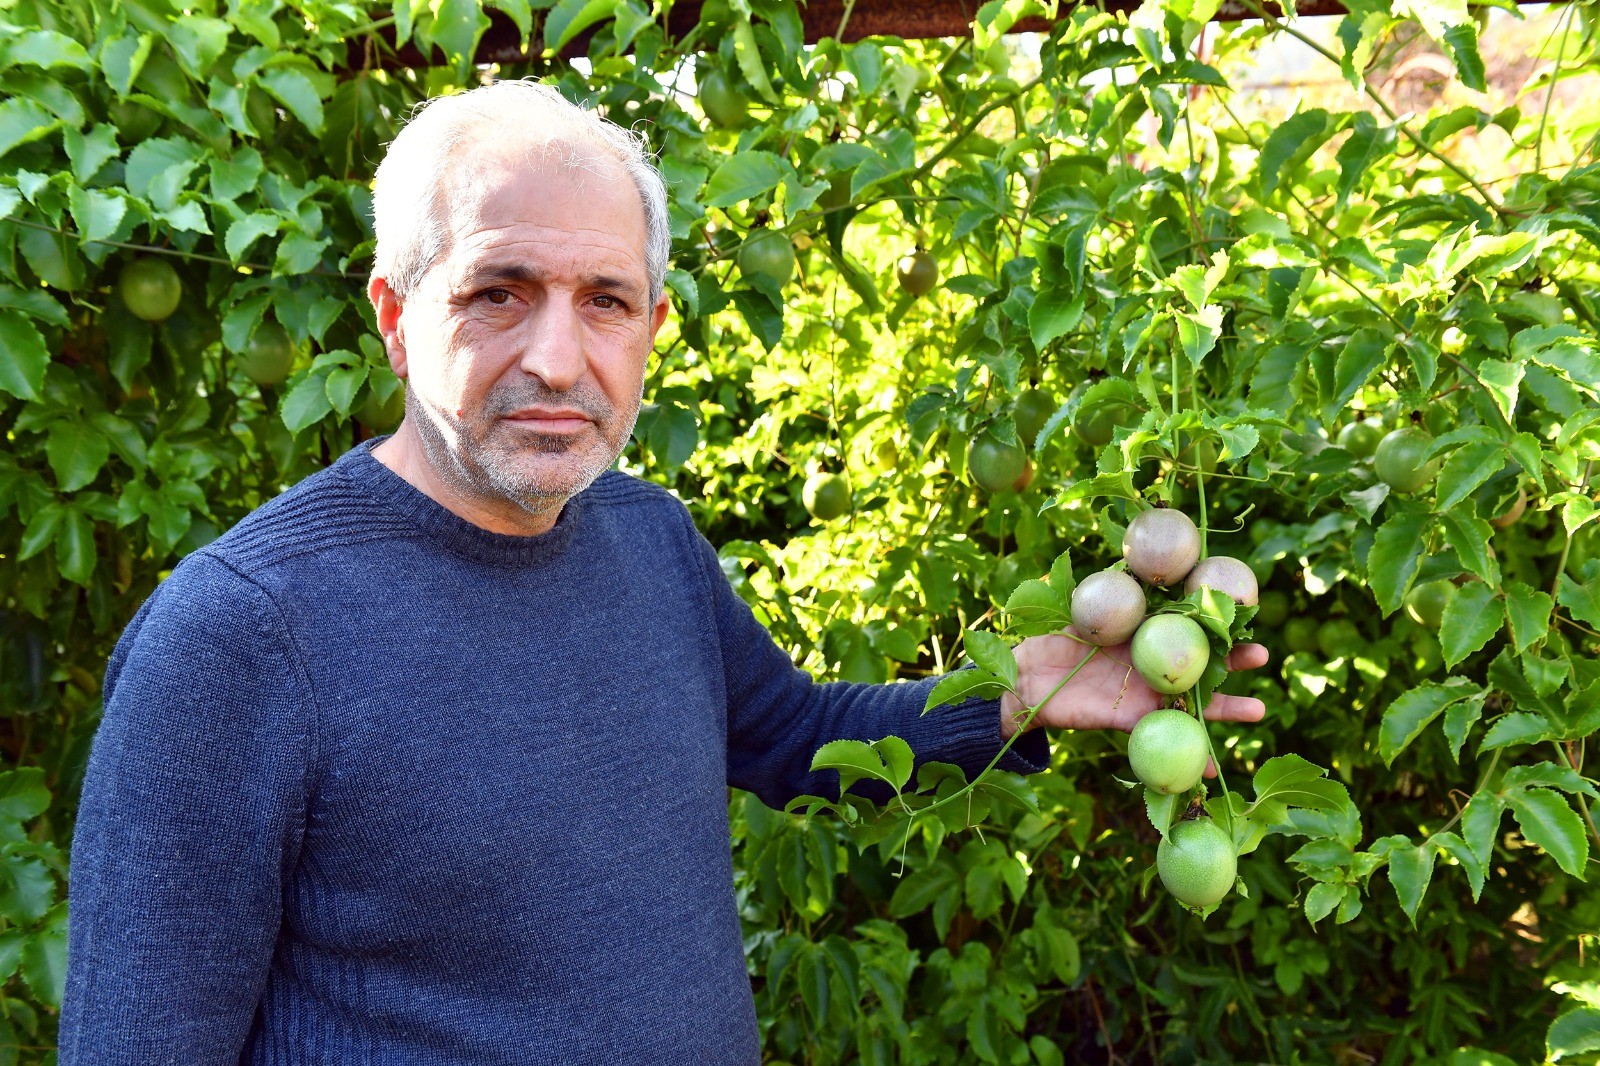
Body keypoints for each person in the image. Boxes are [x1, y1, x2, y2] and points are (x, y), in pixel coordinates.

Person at [59, 80, 1266, 1063]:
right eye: (496, 292)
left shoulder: (646, 538)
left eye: (604, 301)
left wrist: (1023, 698)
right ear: (393, 312)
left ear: (653, 328)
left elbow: (799, 734)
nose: (556, 355)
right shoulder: (241, 636)